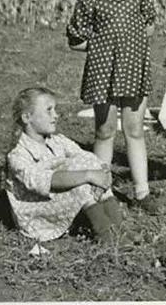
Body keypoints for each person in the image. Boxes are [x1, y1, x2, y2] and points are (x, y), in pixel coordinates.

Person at [66, 0, 159, 214]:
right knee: (105, 131)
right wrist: (104, 46)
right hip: (102, 73)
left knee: (134, 130)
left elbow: (150, 25)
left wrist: (132, 44)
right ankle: (102, 191)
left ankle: (142, 192)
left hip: (133, 70)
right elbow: (75, 40)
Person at [6, 86, 123, 243]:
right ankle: (105, 234)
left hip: (62, 202)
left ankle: (119, 229)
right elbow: (45, 181)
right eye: (49, 110)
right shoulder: (18, 156)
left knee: (89, 165)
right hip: (39, 214)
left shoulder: (58, 141)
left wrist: (102, 171)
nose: (56, 115)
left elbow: (85, 157)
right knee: (80, 181)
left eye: (55, 109)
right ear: (27, 117)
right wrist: (88, 175)